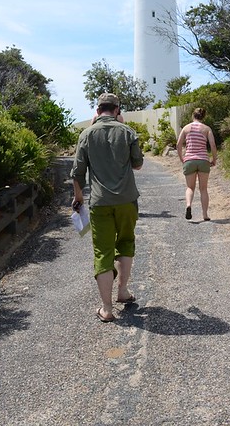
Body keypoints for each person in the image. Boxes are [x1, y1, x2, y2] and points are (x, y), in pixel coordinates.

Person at [71, 92, 143, 323]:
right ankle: (123, 291)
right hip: (126, 200)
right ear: (117, 109)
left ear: (98, 109)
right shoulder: (127, 132)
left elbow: (78, 173)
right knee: (125, 241)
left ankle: (107, 308)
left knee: (103, 252)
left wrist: (78, 198)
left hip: (100, 202)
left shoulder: (86, 134)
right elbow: (138, 164)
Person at [176, 107, 217, 221]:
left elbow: (178, 145)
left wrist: (181, 158)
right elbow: (213, 145)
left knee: (190, 187)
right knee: (203, 189)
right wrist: (214, 159)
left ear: (192, 115)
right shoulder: (206, 129)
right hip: (203, 160)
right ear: (203, 117)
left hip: (189, 160)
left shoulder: (186, 128)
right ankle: (205, 215)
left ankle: (189, 205)